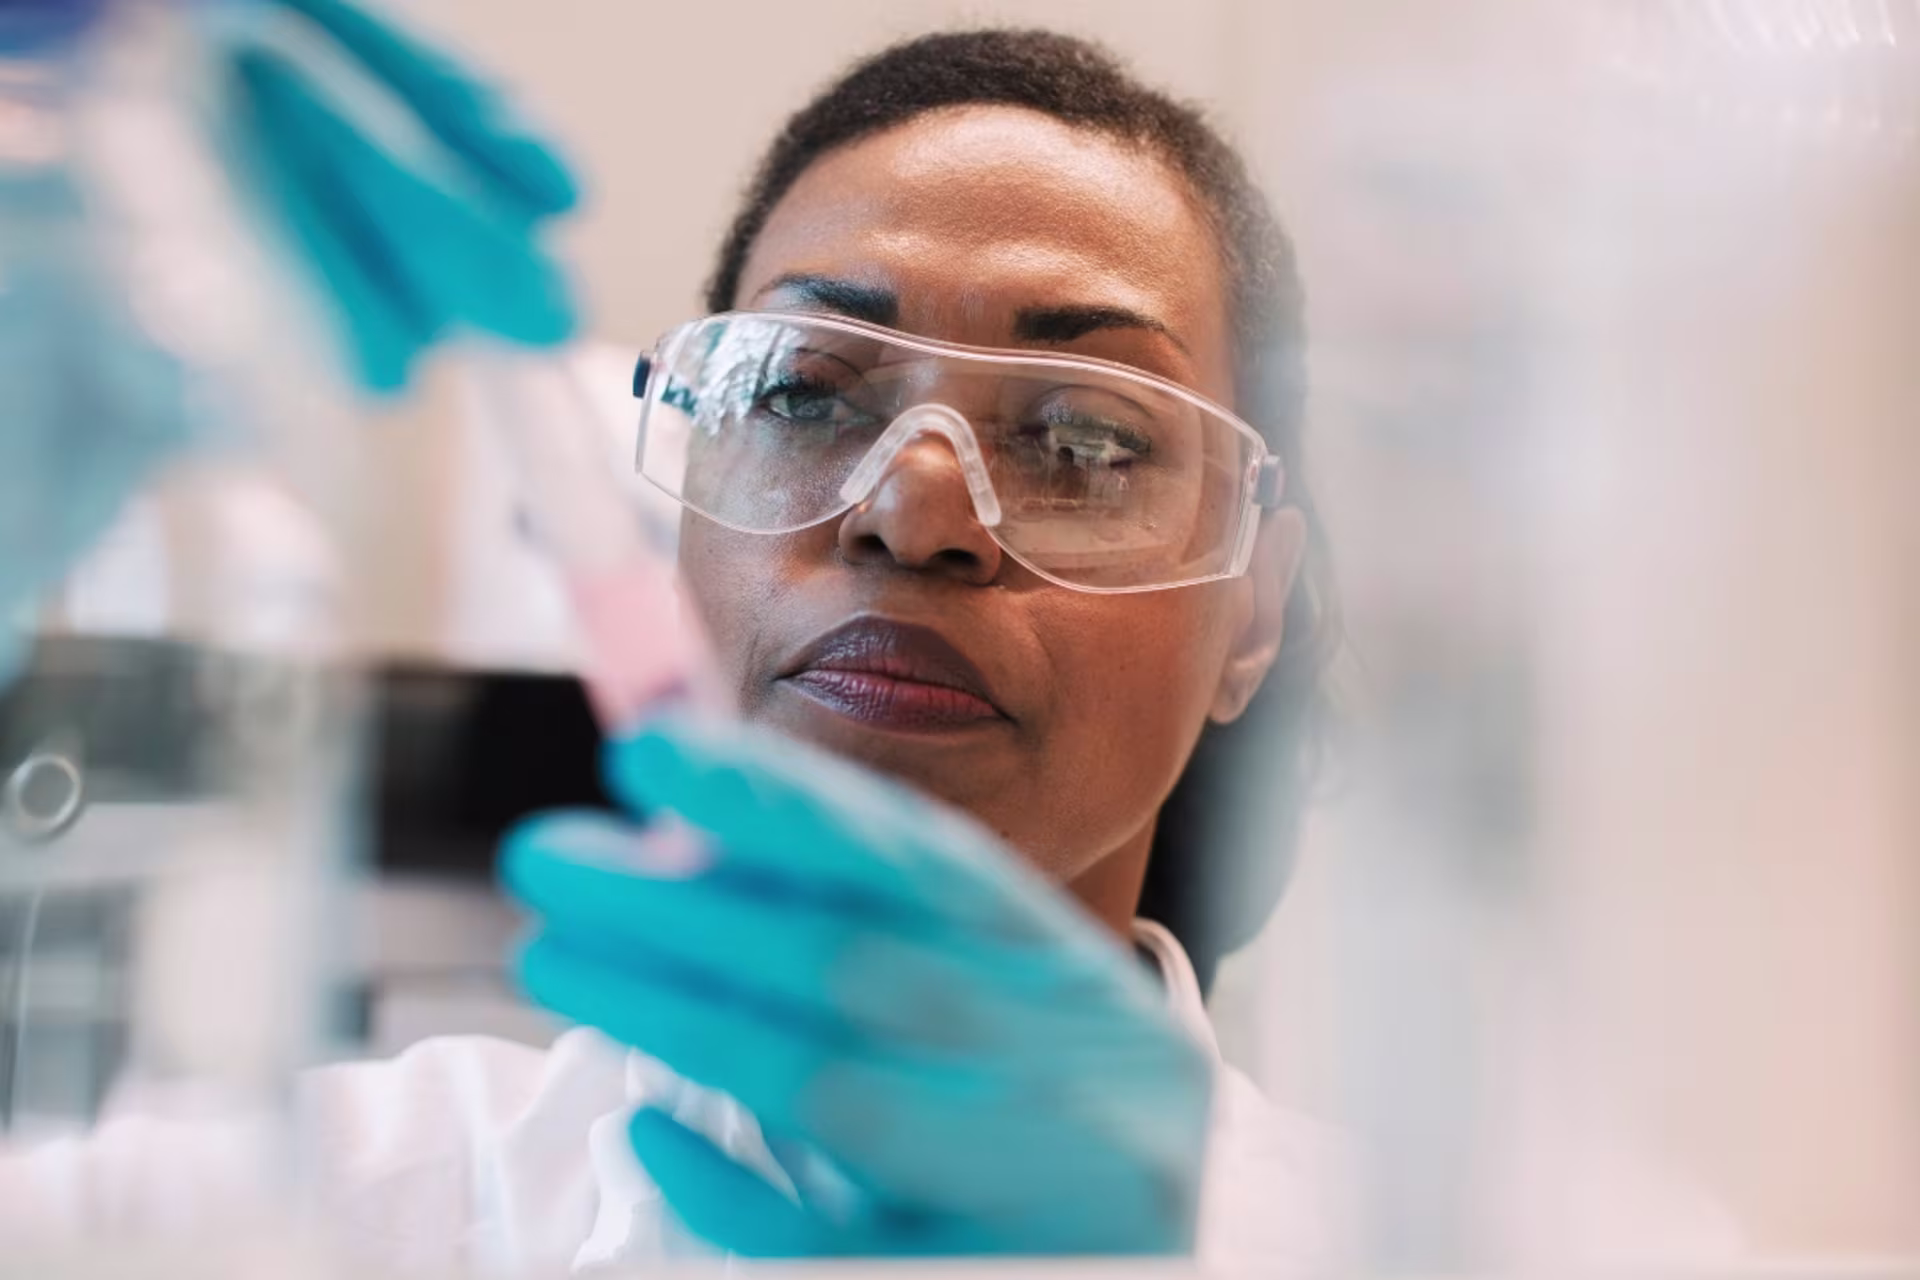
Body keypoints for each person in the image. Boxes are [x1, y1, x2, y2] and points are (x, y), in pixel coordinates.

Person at [0, 23, 1349, 1273]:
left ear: (1254, 617)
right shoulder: (325, 1213)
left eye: (1085, 441)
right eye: (802, 392)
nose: (915, 512)